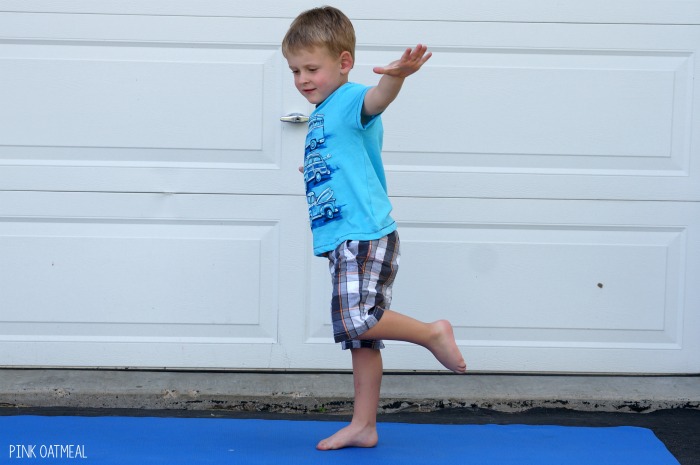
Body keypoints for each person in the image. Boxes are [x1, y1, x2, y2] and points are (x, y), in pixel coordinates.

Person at [282, 6, 467, 451]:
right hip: (344, 239)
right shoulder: (323, 112)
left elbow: (376, 99)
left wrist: (397, 76)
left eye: (312, 68)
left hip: (363, 234)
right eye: (294, 70)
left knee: (359, 320)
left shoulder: (347, 101)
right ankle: (364, 425)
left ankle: (432, 333)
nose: (303, 78)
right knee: (360, 339)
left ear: (344, 63)